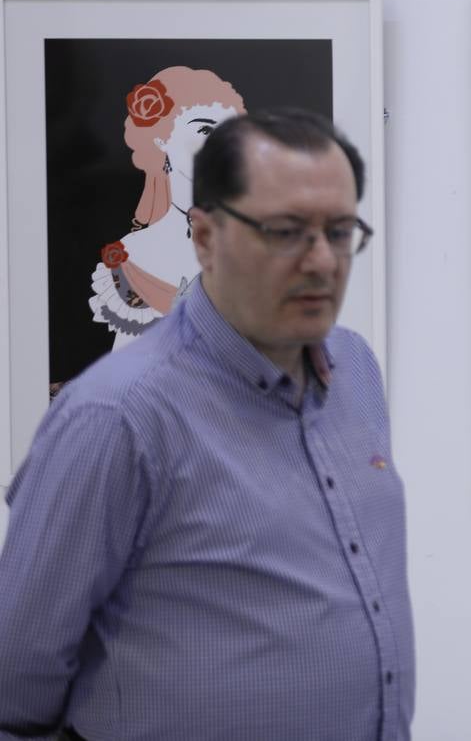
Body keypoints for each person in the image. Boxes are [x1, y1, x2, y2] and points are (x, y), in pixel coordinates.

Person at [0, 109, 413, 741]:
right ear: (205, 236)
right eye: (285, 232)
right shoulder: (116, 416)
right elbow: (15, 681)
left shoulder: (354, 367)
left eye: (338, 231)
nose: (322, 261)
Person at [88, 65, 246, 345]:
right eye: (205, 129)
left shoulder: (251, 246)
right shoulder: (135, 254)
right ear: (162, 137)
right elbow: (126, 364)